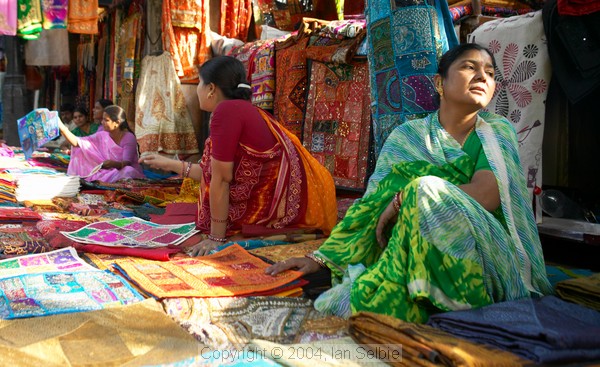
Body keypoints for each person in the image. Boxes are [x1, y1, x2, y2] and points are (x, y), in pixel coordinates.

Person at [266, 43, 553, 323]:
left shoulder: (496, 131)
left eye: (490, 73)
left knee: (424, 190)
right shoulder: (408, 136)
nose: (482, 77)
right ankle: (426, 293)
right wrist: (321, 259)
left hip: (486, 254)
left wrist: (405, 197)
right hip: (412, 246)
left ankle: (462, 304)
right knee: (348, 302)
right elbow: (371, 207)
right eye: (470, 67)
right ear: (439, 83)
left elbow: (487, 195)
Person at [140, 56, 338, 256]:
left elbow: (222, 179)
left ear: (211, 88)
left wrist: (216, 238)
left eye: (199, 82)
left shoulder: (226, 111)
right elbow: (214, 173)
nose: (198, 89)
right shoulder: (244, 110)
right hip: (287, 207)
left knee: (170, 235)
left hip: (276, 214)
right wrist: (168, 164)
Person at [59, 104, 145, 183]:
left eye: (106, 120)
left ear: (117, 123)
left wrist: (113, 164)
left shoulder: (128, 137)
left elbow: (127, 163)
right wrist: (62, 127)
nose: (102, 122)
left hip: (125, 172)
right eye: (102, 119)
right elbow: (79, 143)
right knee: (92, 173)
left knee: (128, 171)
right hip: (109, 172)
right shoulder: (102, 134)